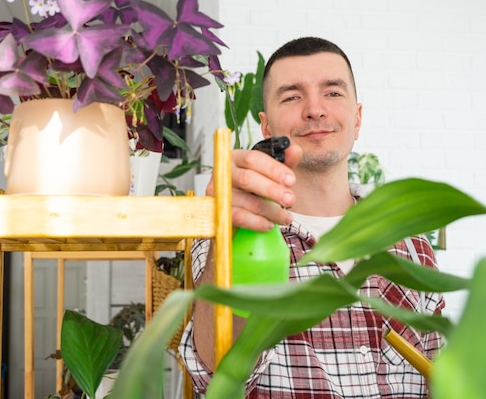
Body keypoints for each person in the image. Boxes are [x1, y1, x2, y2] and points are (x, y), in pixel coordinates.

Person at [179, 36, 445, 399]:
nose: (315, 110)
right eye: (292, 96)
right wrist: (231, 237)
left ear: (357, 118)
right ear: (267, 128)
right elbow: (218, 377)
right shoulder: (233, 237)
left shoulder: (411, 243)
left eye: (333, 93)